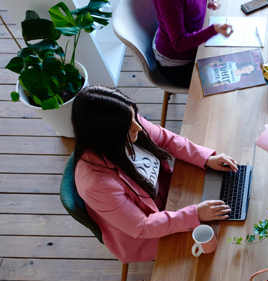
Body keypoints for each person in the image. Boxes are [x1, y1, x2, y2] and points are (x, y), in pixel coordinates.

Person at [72, 85, 238, 264]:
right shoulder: (97, 185)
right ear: (107, 135)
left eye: (134, 117)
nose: (139, 127)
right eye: (130, 126)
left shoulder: (125, 122)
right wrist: (194, 214)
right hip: (145, 234)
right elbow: (142, 226)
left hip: (170, 196)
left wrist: (206, 158)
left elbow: (167, 140)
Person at [152, 0, 233, 88]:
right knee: (227, 85)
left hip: (197, 45)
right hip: (179, 65)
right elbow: (179, 44)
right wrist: (212, 30)